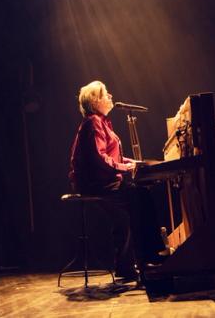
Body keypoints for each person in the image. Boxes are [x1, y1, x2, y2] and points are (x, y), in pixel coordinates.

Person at [67, 80, 163, 281]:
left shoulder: (101, 122)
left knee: (139, 197)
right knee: (139, 198)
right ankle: (148, 257)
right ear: (95, 101)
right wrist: (122, 167)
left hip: (105, 180)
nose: (111, 96)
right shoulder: (93, 122)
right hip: (98, 183)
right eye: (106, 94)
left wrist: (131, 162)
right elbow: (98, 157)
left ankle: (142, 259)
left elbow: (111, 155)